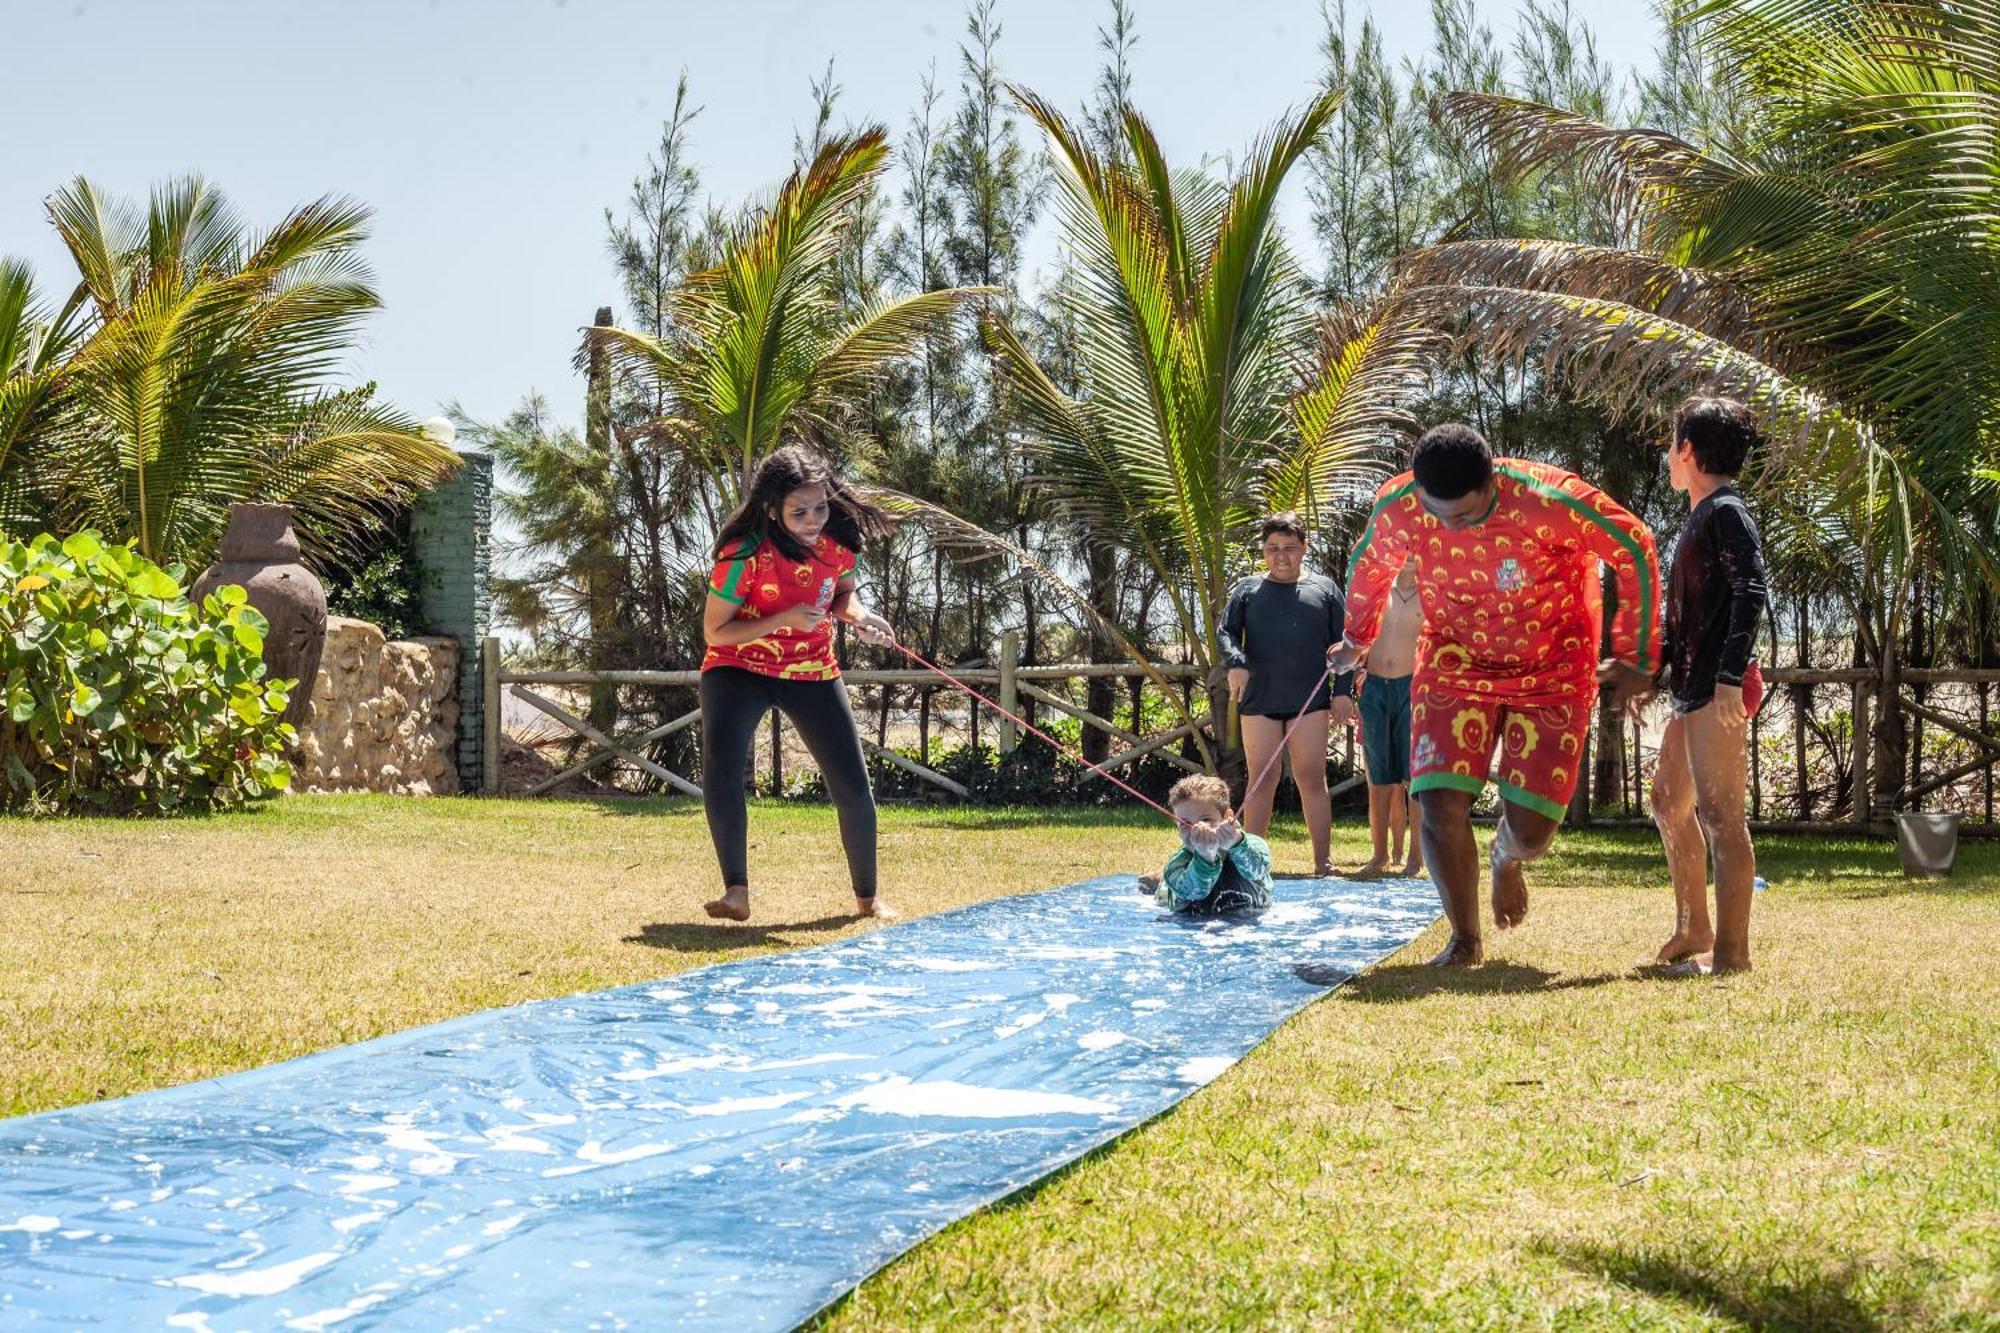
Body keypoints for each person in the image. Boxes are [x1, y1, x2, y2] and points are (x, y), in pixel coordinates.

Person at [1332, 424, 1661, 966]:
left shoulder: (1548, 498)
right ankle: (1465, 940)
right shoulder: (1400, 505)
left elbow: (1633, 544)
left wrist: (1637, 655)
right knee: (1436, 802)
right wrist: (1356, 639)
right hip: (1454, 659)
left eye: (1461, 515)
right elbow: (1370, 566)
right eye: (1437, 513)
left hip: (1553, 662)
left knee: (1532, 830)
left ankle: (1507, 857)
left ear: (1492, 483)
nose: (1447, 526)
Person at [699, 444, 898, 923]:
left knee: (852, 782)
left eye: (821, 506)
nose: (814, 520)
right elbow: (715, 631)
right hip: (737, 666)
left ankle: (867, 899)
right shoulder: (742, 554)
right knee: (723, 773)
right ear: (772, 509)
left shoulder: (837, 546)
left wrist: (861, 618)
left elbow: (842, 598)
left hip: (811, 668)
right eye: (800, 511)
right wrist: (783, 617)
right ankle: (736, 893)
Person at [1652, 397, 1769, 975]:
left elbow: (1751, 590)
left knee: (1722, 817)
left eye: (1672, 444)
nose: (1667, 455)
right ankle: (1693, 925)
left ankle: (1732, 954)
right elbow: (1689, 618)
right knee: (1668, 801)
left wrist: (1727, 680)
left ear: (1689, 451)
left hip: (1719, 688)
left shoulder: (1726, 511)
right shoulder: (1701, 515)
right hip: (1694, 689)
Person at [1217, 513, 1357, 876]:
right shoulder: (1248, 589)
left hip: (1309, 701)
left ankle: (1323, 862)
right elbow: (1226, 632)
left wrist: (1343, 692)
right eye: (1272, 548)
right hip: (1260, 700)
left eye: (1290, 548)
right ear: (1263, 550)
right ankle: (1251, 864)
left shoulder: (1325, 590)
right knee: (1262, 778)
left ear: (1304, 548)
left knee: (1312, 777)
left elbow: (1346, 645)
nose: (1281, 556)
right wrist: (1235, 661)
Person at [1353, 556, 1425, 879]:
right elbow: (1354, 636)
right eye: (1404, 546)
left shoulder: (1433, 591)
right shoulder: (1378, 589)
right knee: (1379, 780)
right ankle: (1379, 855)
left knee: (1415, 780)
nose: (1410, 554)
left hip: (1414, 688)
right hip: (1375, 688)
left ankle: (1415, 858)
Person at [1138, 774, 1275, 915]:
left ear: (1228, 817)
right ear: (1177, 828)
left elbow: (1257, 869)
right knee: (1166, 887)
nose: (1197, 829)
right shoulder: (1177, 865)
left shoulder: (1254, 845)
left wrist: (1237, 844)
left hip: (1246, 914)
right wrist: (1205, 857)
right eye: (1185, 824)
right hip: (1184, 901)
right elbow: (1194, 892)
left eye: (1206, 819)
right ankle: (1160, 880)